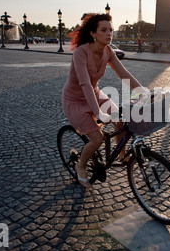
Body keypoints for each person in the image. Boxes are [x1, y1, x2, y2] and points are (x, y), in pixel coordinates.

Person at [62, 13, 147, 188]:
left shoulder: (108, 51)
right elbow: (84, 84)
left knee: (120, 122)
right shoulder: (81, 52)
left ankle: (122, 156)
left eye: (111, 30)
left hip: (95, 93)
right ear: (93, 33)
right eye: (104, 30)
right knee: (97, 139)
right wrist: (98, 112)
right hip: (75, 100)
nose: (109, 33)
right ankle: (81, 166)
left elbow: (123, 74)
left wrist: (143, 92)